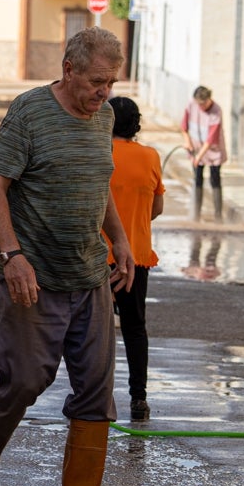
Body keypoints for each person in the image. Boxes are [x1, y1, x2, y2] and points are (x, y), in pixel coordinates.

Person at [0, 26, 135, 486]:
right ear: (68, 69)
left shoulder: (104, 117)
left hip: (89, 274)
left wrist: (120, 239)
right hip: (32, 277)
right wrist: (11, 255)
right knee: (25, 380)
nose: (104, 92)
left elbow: (99, 182)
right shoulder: (29, 113)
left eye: (111, 82)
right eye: (96, 81)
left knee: (96, 392)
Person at [106, 96, 164, 422]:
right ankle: (138, 398)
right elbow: (156, 208)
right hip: (136, 258)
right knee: (135, 327)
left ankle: (94, 396)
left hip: (98, 255)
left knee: (92, 329)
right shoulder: (150, 156)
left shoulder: (99, 153)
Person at [181, 85, 226, 222]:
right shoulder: (192, 105)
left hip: (212, 150)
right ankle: (196, 215)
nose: (200, 107)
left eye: (203, 104)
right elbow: (184, 127)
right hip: (196, 148)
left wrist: (199, 157)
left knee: (215, 179)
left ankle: (218, 216)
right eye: (198, 104)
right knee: (197, 178)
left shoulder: (216, 111)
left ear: (209, 100)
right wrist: (188, 142)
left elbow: (211, 139)